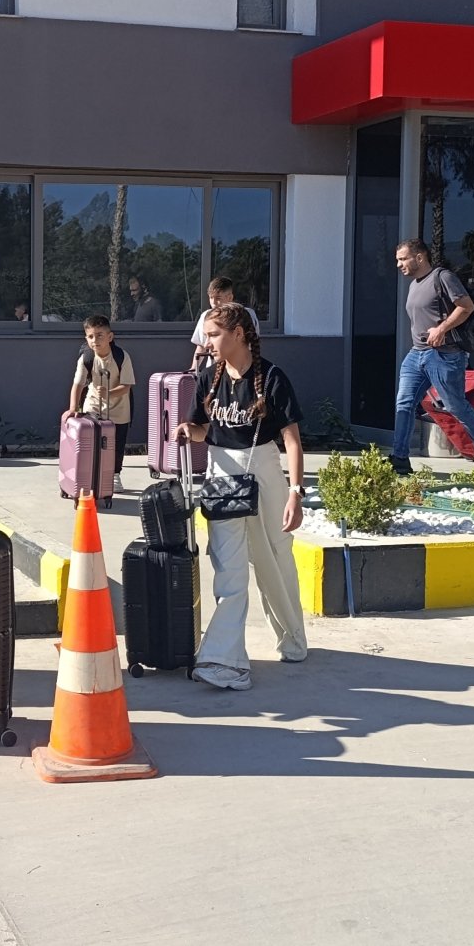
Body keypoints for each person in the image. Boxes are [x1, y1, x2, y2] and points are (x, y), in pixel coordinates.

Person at [176, 302, 308, 691]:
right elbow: (204, 432)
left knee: (276, 558)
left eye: (214, 334)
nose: (207, 342)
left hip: (264, 470)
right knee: (228, 567)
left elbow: (292, 440)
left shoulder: (272, 377)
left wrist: (295, 493)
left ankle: (293, 639)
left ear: (238, 333)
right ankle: (224, 660)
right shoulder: (206, 377)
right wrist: (188, 430)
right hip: (220, 473)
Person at [389, 240, 474, 473]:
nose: (399, 264)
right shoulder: (415, 284)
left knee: (456, 405)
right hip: (417, 354)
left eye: (403, 259)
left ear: (420, 257)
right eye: (398, 259)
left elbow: (466, 306)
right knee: (404, 404)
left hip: (445, 356)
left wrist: (442, 328)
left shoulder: (442, 277)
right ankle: (400, 458)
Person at [65, 315, 136, 492]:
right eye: (90, 336)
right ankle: (92, 474)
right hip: (93, 406)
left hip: (119, 408)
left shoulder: (121, 357)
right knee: (93, 440)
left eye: (100, 335)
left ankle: (115, 475)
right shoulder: (86, 358)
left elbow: (126, 386)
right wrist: (73, 408)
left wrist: (109, 393)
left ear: (110, 337)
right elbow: (78, 384)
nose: (95, 340)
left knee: (116, 445)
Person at [189, 276, 260, 371]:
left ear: (230, 297)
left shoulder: (246, 314)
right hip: (215, 370)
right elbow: (201, 345)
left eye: (218, 298)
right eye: (211, 298)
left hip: (243, 367)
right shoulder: (206, 316)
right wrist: (194, 368)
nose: (213, 302)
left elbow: (253, 342)